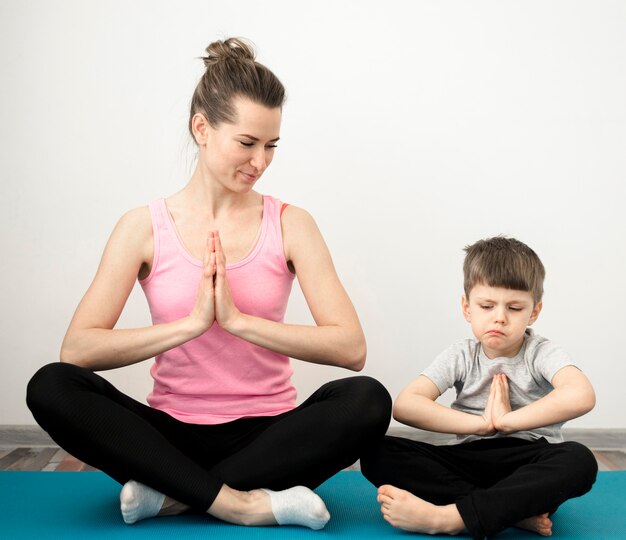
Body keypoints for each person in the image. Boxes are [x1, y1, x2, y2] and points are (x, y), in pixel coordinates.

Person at [26, 37, 391, 530]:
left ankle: (178, 494)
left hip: (268, 434)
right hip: (169, 433)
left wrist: (239, 322)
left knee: (367, 399)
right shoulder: (142, 226)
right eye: (247, 142)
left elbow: (351, 348)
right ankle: (241, 503)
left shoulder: (291, 223)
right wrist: (192, 324)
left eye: (271, 145)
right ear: (202, 128)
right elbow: (79, 350)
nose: (260, 161)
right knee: (51, 385)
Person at [360, 236, 597, 539]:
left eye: (514, 307)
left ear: (533, 312)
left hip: (526, 462)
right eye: (487, 305)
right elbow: (407, 404)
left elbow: (581, 394)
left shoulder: (541, 352)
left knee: (579, 460)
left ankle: (450, 517)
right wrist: (483, 425)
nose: (499, 317)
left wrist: (507, 422)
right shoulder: (461, 354)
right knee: (376, 451)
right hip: (468, 458)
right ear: (467, 307)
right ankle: (508, 512)